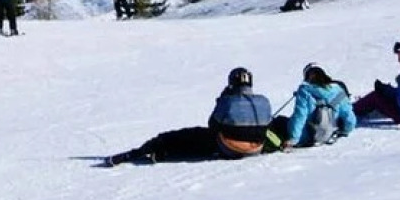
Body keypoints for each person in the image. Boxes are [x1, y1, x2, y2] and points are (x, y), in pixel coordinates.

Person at [104, 66, 274, 165]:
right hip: (257, 148)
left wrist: (222, 99)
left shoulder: (228, 101)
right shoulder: (264, 101)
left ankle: (138, 153)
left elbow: (212, 125)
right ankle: (167, 153)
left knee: (187, 136)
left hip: (230, 148)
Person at [276, 63, 355, 148]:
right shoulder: (338, 90)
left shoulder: (305, 91)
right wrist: (346, 130)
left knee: (279, 121)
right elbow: (348, 115)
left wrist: (293, 139)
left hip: (306, 136)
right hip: (329, 133)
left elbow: (300, 115)